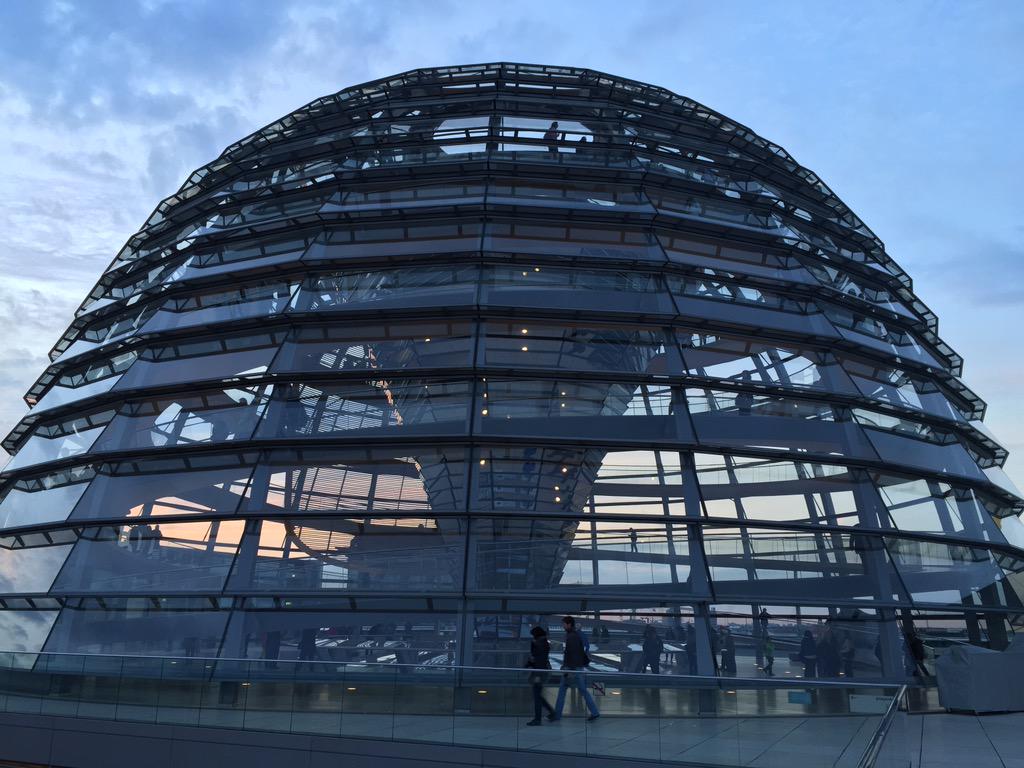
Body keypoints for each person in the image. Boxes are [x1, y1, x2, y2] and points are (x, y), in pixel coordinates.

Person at [550, 616, 600, 722]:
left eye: (564, 624)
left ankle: (557, 715)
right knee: (582, 690)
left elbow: (572, 654)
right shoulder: (575, 635)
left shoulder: (571, 636)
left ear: (569, 624)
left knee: (562, 690)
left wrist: (568, 670)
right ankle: (594, 712)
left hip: (571, 668)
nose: (563, 626)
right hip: (576, 667)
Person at [525, 626, 556, 726]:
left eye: (533, 635)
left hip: (539, 672)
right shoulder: (541, 643)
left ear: (536, 635)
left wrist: (537, 674)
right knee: (538, 695)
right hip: (541, 671)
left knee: (537, 696)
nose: (532, 637)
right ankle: (551, 712)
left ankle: (538, 719)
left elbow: (540, 660)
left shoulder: (540, 644)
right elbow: (536, 658)